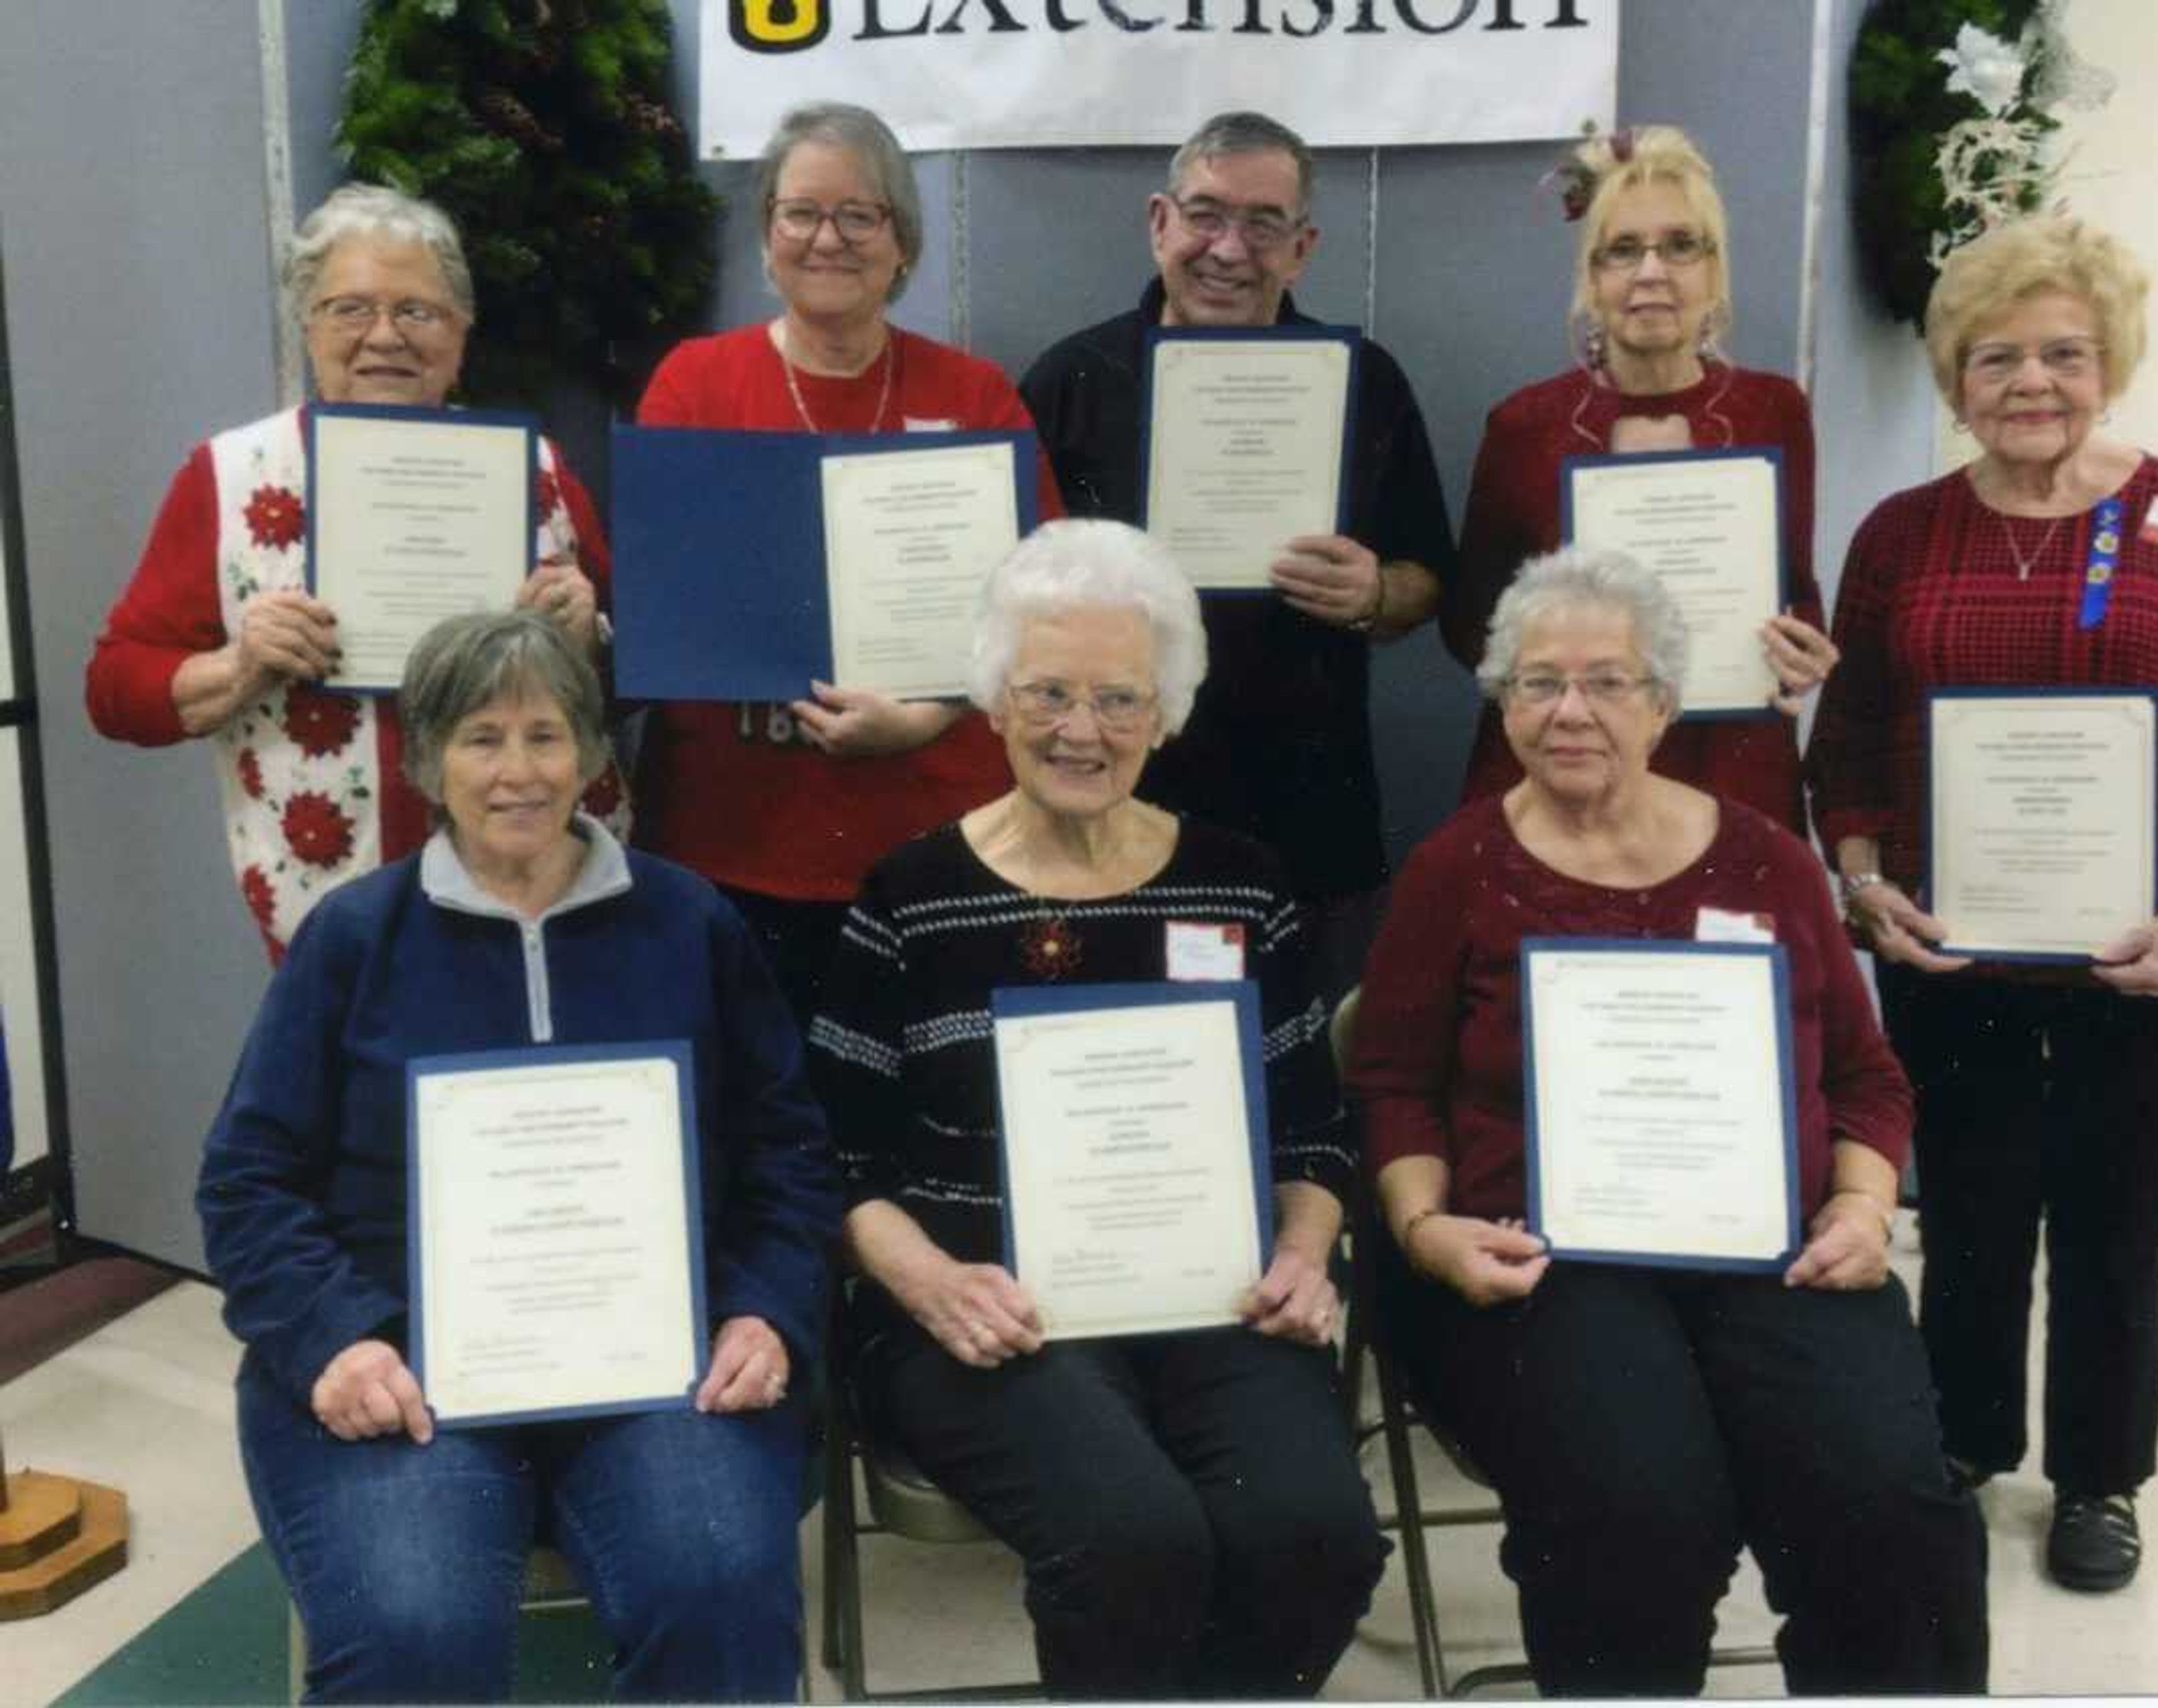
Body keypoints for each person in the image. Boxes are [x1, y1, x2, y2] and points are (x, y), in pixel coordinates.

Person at [1349, 549, 1987, 1697]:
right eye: (1538, 683)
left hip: (1776, 1245)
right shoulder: (1457, 867)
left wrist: (1860, 1204)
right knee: (1637, 1503)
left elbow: (1865, 1075)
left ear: (1664, 706)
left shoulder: (1769, 861)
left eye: (1607, 680)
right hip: (1537, 1253)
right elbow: (1392, 1081)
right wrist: (1421, 1228)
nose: (1572, 711)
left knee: (1886, 1500)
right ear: (1502, 706)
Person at [197, 611, 839, 1702]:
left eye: (547, 736)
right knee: (416, 1628)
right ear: (430, 761)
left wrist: (764, 1310)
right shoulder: (354, 936)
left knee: (719, 1587)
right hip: (405, 1369)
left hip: (659, 1367)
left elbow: (790, 1153)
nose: (518, 772)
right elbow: (247, 1181)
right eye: (482, 738)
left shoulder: (689, 922)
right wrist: (334, 1343)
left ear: (593, 755)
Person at [1806, 214, 2158, 1592]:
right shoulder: (1902, 533)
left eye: (2064, 353)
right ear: (1956, 378)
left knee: (2111, 1225)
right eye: (1997, 355)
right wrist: (1861, 884)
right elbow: (1845, 746)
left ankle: (2098, 1480)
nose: (2032, 381)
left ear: (2112, 364)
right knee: (1965, 1214)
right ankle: (1961, 1443)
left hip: (2151, 956)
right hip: (1951, 958)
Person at [811, 519, 1385, 1698]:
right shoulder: (910, 896)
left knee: (1316, 1533)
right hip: (983, 1307)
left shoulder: (1242, 880)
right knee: (1134, 1539)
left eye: (1121, 699)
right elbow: (833, 1156)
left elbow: (1315, 1127)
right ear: (994, 700)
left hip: (1214, 1295)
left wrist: (1304, 1251)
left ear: (1169, 713)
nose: (1083, 730)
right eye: (1051, 693)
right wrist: (929, 1283)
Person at [86, 185, 625, 962]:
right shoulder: (232, 476)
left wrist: (590, 636)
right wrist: (241, 665)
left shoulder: (534, 469)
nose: (385, 336)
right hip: (333, 907)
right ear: (308, 327)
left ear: (461, 334)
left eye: (418, 311)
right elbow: (114, 691)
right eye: (350, 308)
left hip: (543, 893)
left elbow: (635, 680)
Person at [636, 101, 1060, 1029]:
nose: (827, 239)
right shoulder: (695, 385)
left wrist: (928, 716)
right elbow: (667, 597)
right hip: (734, 839)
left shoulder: (976, 396)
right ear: (768, 235)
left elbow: (1041, 611)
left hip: (932, 831)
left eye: (859, 216)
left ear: (902, 242)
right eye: (800, 213)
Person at [1020, 111, 1455, 997]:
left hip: (1309, 822)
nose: (1228, 247)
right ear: (1158, 223)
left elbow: (1429, 580)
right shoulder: (1071, 378)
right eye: (1205, 214)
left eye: (1263, 225)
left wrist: (1377, 592)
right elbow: (1011, 599)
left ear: (1302, 248)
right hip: (1108, 811)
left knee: (1310, 1085)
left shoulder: (1366, 382)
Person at [1440, 125, 1836, 832]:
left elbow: (1796, 592)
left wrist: (1800, 648)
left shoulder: (1774, 411)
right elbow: (1470, 628)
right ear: (1592, 278)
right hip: (1565, 773)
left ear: (1714, 271)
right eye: (1623, 250)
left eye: (1681, 246)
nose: (1652, 272)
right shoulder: (1524, 426)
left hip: (1730, 765)